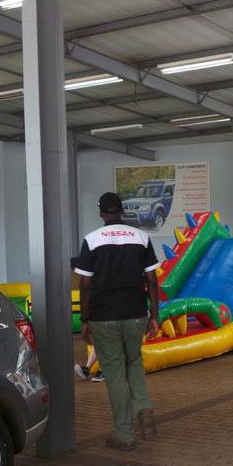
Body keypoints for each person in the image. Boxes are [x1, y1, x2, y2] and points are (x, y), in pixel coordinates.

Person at [75, 192, 161, 450]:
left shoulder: (92, 240)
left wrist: (84, 319)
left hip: (104, 316)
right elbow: (152, 280)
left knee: (114, 374)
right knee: (134, 362)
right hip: (136, 313)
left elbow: (85, 284)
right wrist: (154, 316)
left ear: (102, 213)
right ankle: (143, 407)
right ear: (121, 211)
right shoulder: (141, 237)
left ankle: (124, 435)